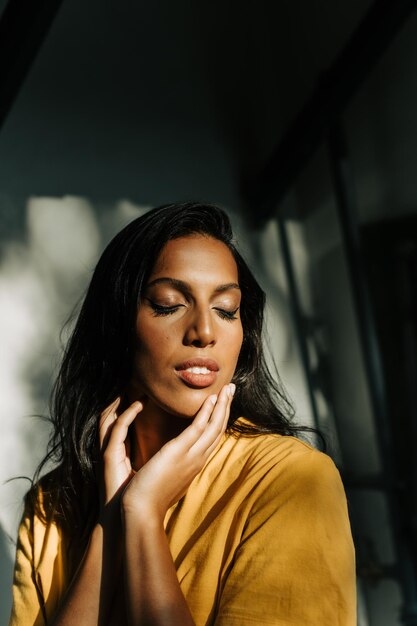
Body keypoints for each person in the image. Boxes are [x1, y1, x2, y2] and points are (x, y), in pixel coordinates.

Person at [9, 202, 356, 625]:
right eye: (169, 304)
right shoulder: (53, 505)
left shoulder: (293, 480)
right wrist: (113, 521)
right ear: (117, 323)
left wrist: (144, 510)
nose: (205, 332)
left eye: (226, 310)